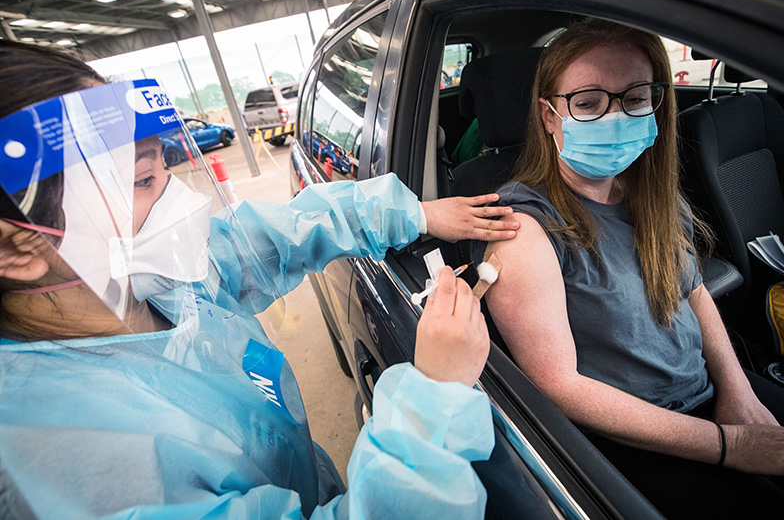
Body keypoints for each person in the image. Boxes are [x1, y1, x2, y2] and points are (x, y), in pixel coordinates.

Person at [0, 42, 521, 519]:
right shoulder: (72, 464)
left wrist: (415, 214)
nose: (178, 200)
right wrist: (432, 404)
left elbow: (276, 235)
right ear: (17, 249)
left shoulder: (156, 283)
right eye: (138, 182)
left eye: (164, 166)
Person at [474, 18, 784, 519]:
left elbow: (693, 290)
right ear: (549, 116)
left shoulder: (650, 195)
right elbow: (560, 386)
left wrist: (738, 393)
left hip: (708, 394)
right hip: (634, 438)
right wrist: (731, 445)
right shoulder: (527, 230)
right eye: (589, 103)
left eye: (634, 98)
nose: (615, 117)